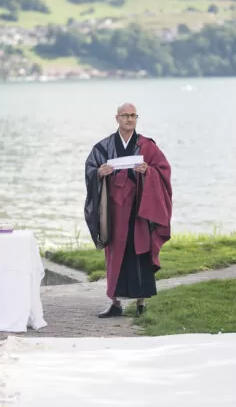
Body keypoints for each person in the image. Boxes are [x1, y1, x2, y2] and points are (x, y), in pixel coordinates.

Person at [84, 103, 172, 318]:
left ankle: (141, 303)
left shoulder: (147, 146)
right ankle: (115, 303)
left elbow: (163, 170)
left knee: (140, 251)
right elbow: (90, 169)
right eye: (125, 115)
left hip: (139, 209)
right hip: (113, 211)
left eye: (133, 115)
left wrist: (148, 171)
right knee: (114, 254)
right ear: (117, 118)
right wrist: (99, 172)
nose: (129, 119)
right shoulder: (103, 147)